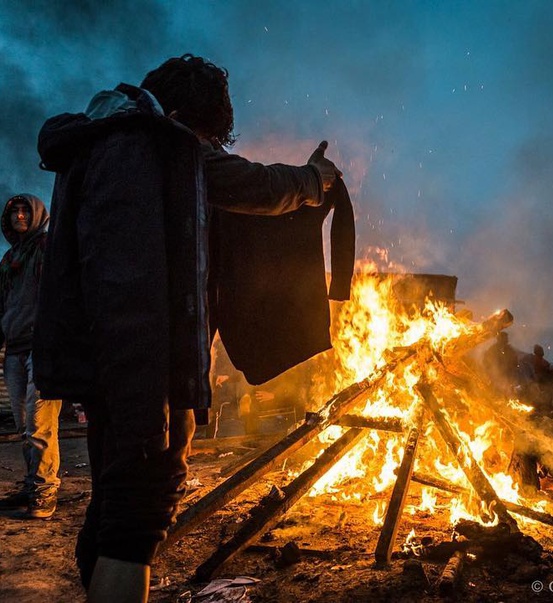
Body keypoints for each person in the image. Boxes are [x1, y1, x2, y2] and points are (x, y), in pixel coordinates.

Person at [33, 54, 340, 602]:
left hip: (120, 369)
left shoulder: (117, 143)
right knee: (139, 514)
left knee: (116, 499)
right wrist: (316, 181)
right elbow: (128, 285)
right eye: (205, 139)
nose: (208, 153)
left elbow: (244, 186)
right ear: (179, 117)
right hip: (142, 372)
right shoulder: (142, 147)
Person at [0, 194, 62, 519]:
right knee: (25, 427)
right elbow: (2, 306)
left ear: (37, 214)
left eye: (25, 210)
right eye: (14, 211)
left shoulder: (49, 249)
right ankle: (31, 485)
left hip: (43, 350)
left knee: (40, 427)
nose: (20, 215)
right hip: (14, 352)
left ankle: (45, 492)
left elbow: (65, 295)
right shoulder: (9, 260)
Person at [483, 331, 518, 396]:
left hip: (507, 376)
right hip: (496, 376)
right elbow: (486, 361)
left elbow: (515, 361)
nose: (506, 340)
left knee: (508, 392)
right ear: (499, 339)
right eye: (505, 338)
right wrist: (490, 372)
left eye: (506, 338)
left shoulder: (509, 350)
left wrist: (513, 367)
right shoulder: (493, 349)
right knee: (495, 392)